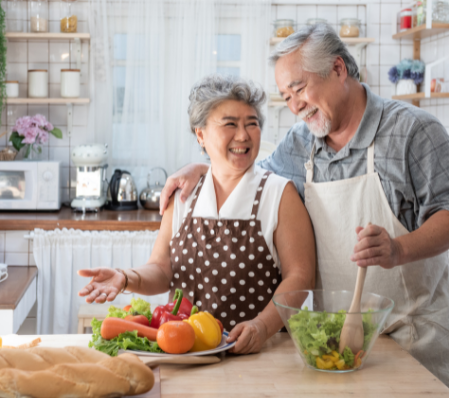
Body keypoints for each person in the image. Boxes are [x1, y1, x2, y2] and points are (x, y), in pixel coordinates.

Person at [159, 25, 449, 398]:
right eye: (286, 97)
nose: (295, 106)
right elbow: (248, 173)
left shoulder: (413, 130)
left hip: (416, 333)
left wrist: (398, 250)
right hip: (338, 342)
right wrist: (203, 168)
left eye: (299, 89)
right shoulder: (300, 142)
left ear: (338, 69)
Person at [78, 75, 316, 355]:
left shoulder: (278, 193)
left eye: (252, 123)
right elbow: (162, 269)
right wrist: (125, 276)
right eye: (230, 124)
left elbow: (301, 277)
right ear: (200, 134)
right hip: (186, 352)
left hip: (259, 353)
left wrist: (261, 327)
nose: (243, 135)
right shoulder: (183, 195)